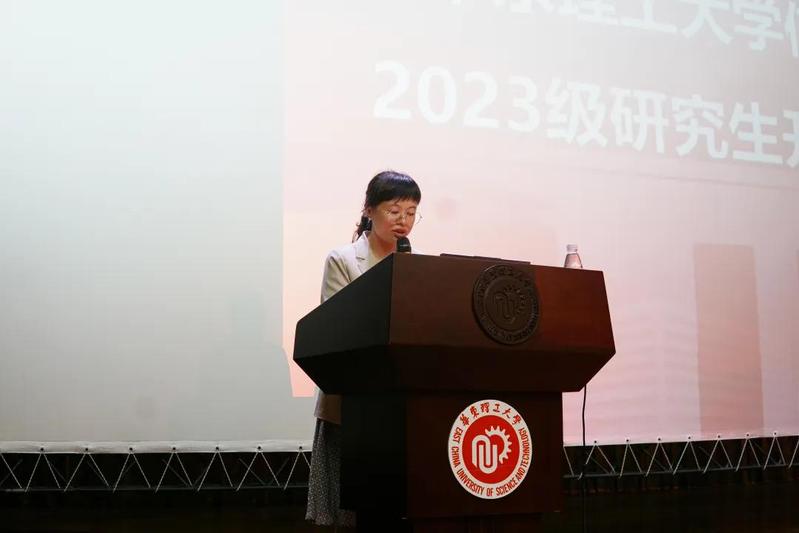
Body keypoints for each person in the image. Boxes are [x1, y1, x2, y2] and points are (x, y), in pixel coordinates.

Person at [305, 170, 422, 529]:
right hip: (352, 399)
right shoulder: (343, 259)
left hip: (399, 401)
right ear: (369, 210)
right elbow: (335, 327)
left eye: (411, 212)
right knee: (351, 513)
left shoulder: (417, 266)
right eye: (394, 211)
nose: (403, 221)